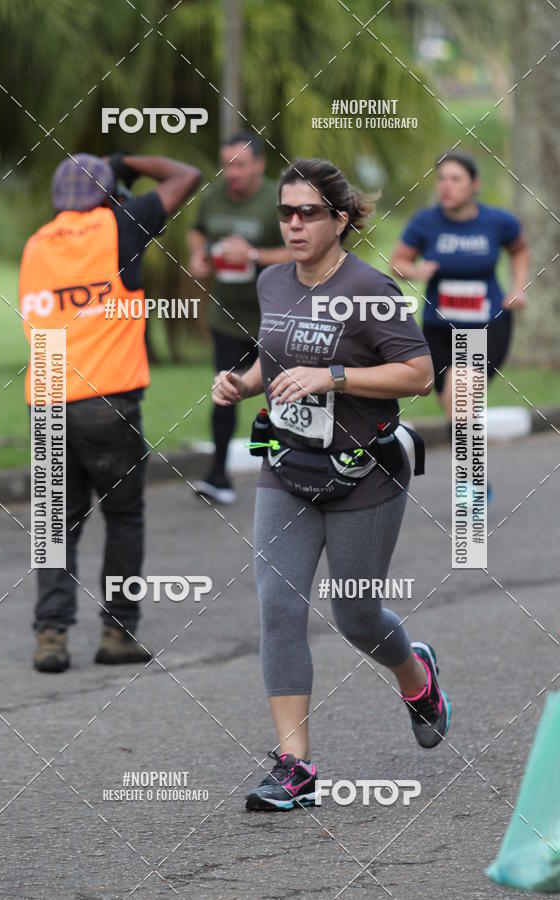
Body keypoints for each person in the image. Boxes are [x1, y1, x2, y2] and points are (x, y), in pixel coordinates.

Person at [212, 158, 452, 811]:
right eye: (285, 212)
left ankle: (417, 678)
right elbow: (276, 351)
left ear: (340, 220)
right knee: (279, 608)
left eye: (307, 212)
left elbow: (419, 375)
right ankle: (296, 767)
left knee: (355, 615)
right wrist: (244, 381)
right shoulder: (272, 282)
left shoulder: (370, 288)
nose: (292, 223)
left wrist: (335, 377)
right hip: (287, 468)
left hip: (364, 474)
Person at [20, 152, 201, 672]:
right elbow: (185, 175)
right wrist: (123, 160)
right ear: (107, 194)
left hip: (49, 392)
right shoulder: (119, 226)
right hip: (107, 398)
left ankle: (51, 636)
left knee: (55, 524)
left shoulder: (36, 243)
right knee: (123, 517)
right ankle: (117, 633)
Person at [391, 150, 530, 503]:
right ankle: (476, 480)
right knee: (454, 404)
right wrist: (416, 270)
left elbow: (519, 248)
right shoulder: (425, 223)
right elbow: (399, 262)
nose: (446, 186)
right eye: (441, 179)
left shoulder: (498, 222)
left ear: (475, 185)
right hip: (439, 328)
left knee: (461, 393)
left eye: (455, 179)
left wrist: (519, 287)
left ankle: (469, 482)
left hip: (487, 323)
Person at [188, 132, 290, 505]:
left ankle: (286, 473)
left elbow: (300, 252)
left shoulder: (278, 200)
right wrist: (199, 258)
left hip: (275, 317)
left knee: (283, 396)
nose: (232, 172)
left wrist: (253, 255)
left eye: (240, 164)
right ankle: (218, 476)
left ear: (260, 165)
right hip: (228, 317)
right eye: (226, 164)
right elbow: (198, 233)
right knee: (225, 394)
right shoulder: (212, 198)